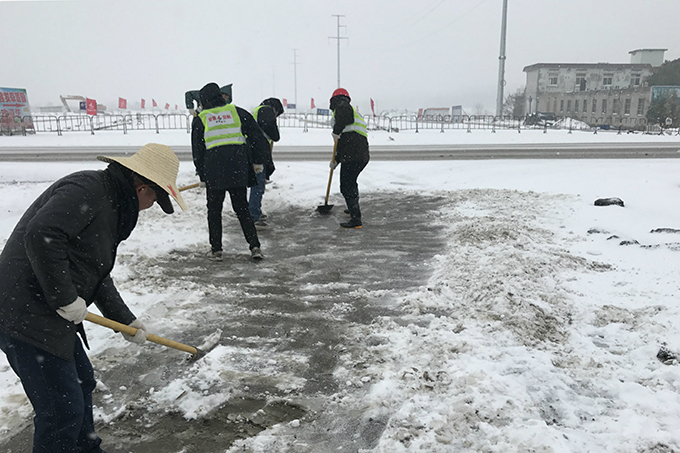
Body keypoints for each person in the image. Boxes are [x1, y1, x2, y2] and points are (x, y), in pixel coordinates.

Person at [0, 143, 187, 453]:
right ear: (142, 187)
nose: (153, 204)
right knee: (61, 411)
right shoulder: (89, 190)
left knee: (82, 383)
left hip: (49, 311)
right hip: (24, 315)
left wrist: (124, 320)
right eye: (155, 196)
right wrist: (64, 297)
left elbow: (94, 271)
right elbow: (41, 235)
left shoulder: (111, 202)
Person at [191, 82, 269, 261]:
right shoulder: (237, 112)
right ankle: (255, 247)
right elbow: (257, 136)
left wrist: (201, 175)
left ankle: (216, 250)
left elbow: (198, 150)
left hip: (214, 171)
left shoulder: (201, 118)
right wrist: (257, 161)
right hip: (237, 169)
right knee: (242, 208)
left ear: (204, 100)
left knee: (214, 210)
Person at [329, 88, 370, 229]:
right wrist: (336, 160)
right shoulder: (352, 110)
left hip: (353, 155)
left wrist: (336, 131)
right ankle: (352, 208)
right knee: (351, 182)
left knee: (347, 185)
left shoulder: (343, 106)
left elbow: (346, 139)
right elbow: (346, 141)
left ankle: (356, 219)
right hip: (361, 155)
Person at [249, 97, 284, 226]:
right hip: (257, 150)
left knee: (258, 183)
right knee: (258, 184)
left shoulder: (258, 110)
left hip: (254, 149)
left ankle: (254, 210)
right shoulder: (266, 110)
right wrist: (275, 135)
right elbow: (270, 128)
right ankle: (253, 215)